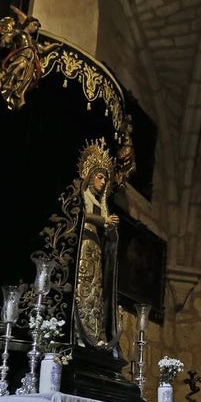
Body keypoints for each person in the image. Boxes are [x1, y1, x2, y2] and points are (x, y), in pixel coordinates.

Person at [74, 138, 121, 350]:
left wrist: (110, 227)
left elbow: (105, 227)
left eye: (105, 180)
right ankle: (78, 331)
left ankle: (94, 333)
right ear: (91, 176)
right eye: (100, 177)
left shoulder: (101, 203)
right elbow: (82, 216)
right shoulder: (84, 196)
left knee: (95, 292)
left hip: (96, 249)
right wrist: (104, 221)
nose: (102, 183)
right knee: (83, 287)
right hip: (84, 245)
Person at [0, 7, 58, 110]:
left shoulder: (33, 42)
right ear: (28, 24)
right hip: (21, 57)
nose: (36, 28)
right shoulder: (19, 33)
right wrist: (6, 39)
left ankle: (18, 93)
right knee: (19, 67)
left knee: (26, 80)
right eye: (34, 25)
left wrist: (54, 45)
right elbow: (9, 37)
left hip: (30, 62)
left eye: (37, 27)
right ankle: (9, 84)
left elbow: (42, 50)